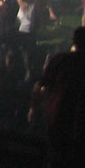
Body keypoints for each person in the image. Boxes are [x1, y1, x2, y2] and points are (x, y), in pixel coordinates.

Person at [34, 27, 85, 166]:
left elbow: (40, 84)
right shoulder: (63, 60)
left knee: (56, 155)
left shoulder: (60, 59)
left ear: (74, 41)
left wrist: (34, 106)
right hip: (77, 122)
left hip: (57, 116)